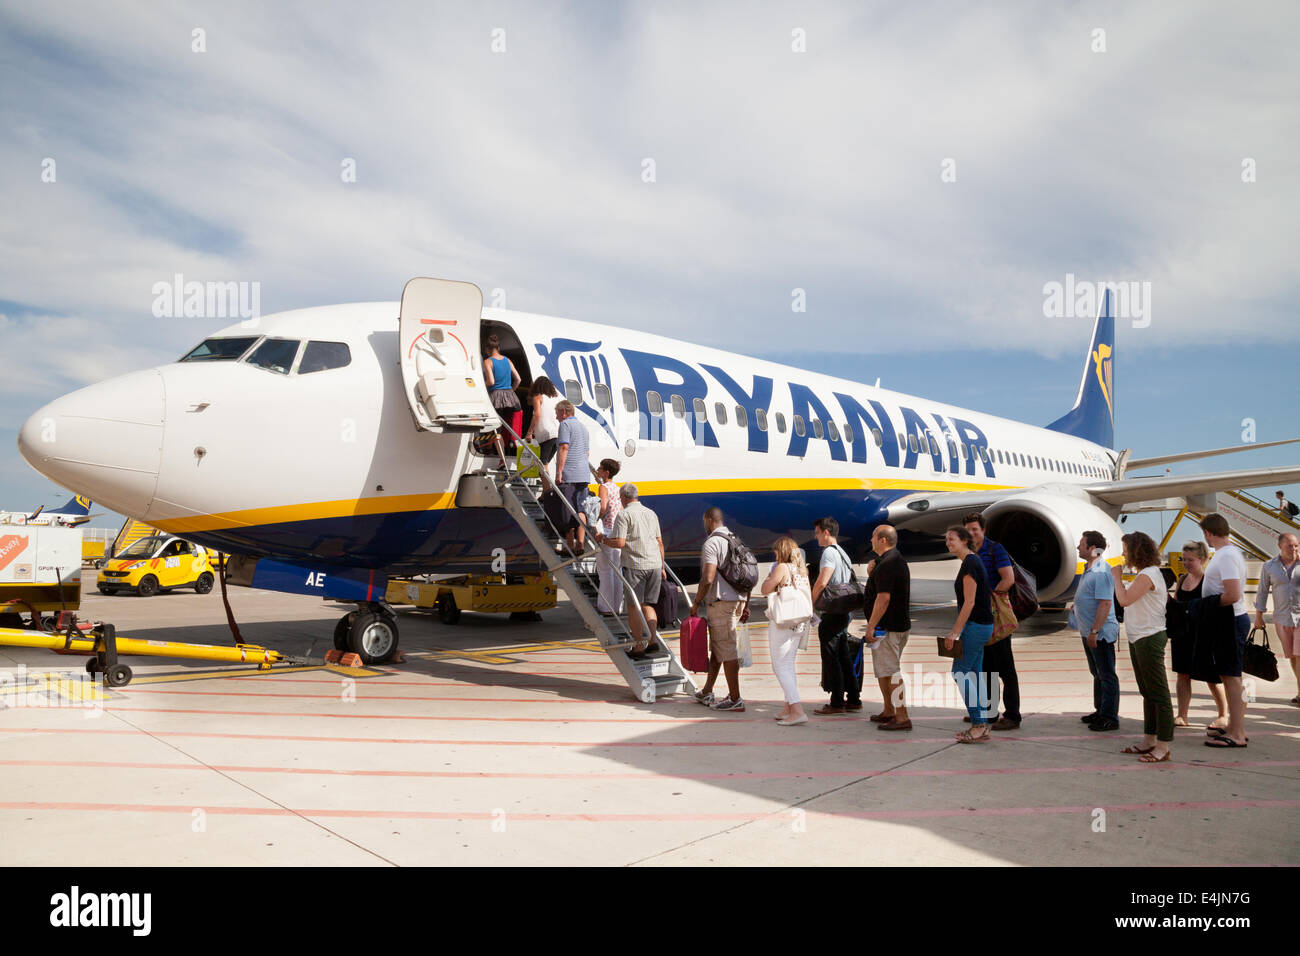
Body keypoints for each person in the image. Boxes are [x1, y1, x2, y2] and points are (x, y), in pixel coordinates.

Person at [1111, 532, 1173, 763]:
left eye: (1125, 549)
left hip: (1149, 637)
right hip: (1139, 637)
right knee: (1148, 692)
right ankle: (1149, 739)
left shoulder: (1148, 574)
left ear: (1137, 551)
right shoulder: (1144, 574)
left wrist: (1117, 578)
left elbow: (1125, 599)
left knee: (1159, 693)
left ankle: (1164, 746)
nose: (1123, 554)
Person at [688, 508, 752, 712]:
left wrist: (696, 602)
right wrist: (746, 603)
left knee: (727, 650)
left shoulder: (712, 543)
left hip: (721, 603)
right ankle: (707, 690)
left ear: (708, 520)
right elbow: (748, 575)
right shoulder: (735, 540)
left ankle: (735, 699)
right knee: (718, 647)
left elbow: (708, 578)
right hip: (737, 600)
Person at [964, 512, 1020, 731]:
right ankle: (989, 713)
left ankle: (1013, 715)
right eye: (967, 530)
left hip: (996, 616)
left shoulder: (995, 549)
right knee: (986, 668)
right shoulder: (969, 553)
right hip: (980, 619)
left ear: (983, 530)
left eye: (975, 529)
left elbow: (1008, 578)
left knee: (1006, 669)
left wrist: (990, 599)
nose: (971, 533)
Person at [594, 484, 664, 656]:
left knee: (633, 607)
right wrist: (662, 566)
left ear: (623, 498)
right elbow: (659, 542)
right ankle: (653, 640)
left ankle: (639, 646)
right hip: (654, 564)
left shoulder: (624, 515)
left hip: (636, 566)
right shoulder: (651, 513)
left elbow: (620, 543)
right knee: (648, 604)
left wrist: (602, 539)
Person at [1200, 513, 1250, 749]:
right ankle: (1233, 727)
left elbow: (1232, 594)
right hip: (1228, 620)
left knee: (1232, 678)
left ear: (1208, 533)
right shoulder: (1227, 553)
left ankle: (1238, 732)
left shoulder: (1227, 555)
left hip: (1230, 620)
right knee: (1231, 676)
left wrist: (1205, 605)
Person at [944, 525, 994, 742]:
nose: (948, 543)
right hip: (981, 625)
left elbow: (970, 602)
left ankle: (979, 724)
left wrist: (955, 633)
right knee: (974, 674)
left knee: (960, 672)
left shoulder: (970, 564)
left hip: (975, 626)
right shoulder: (971, 562)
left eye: (952, 539)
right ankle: (982, 723)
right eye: (947, 539)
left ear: (964, 540)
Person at [1170, 540, 1228, 728]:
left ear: (1202, 559)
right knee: (1183, 675)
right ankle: (1182, 715)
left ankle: (1223, 714)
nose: (1186, 563)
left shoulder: (1208, 581)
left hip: (1203, 635)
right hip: (1182, 635)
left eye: (1190, 560)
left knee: (1212, 677)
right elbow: (1176, 603)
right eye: (1183, 559)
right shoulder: (1181, 579)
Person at [862, 524, 912, 731]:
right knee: (884, 671)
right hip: (894, 626)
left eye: (873, 536)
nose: (870, 540)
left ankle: (902, 717)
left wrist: (871, 626)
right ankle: (889, 710)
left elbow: (883, 599)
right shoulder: (892, 560)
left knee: (891, 673)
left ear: (883, 540)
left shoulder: (888, 564)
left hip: (888, 628)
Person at [1070, 530, 1121, 731]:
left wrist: (1094, 631)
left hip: (1099, 633)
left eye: (1081, 544)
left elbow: (1105, 603)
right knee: (1097, 673)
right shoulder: (1089, 568)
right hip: (1088, 631)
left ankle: (1110, 717)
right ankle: (1100, 710)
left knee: (1106, 674)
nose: (1078, 547)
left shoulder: (1101, 571)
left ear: (1092, 548)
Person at [810, 517, 860, 716]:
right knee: (844, 656)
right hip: (845, 610)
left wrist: (810, 602)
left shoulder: (829, 553)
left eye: (817, 533)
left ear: (826, 532)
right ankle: (854, 698)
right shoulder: (843, 553)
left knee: (832, 658)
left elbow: (822, 582)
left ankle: (837, 701)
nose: (816, 537)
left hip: (833, 611)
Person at [760, 536, 811, 726]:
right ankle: (788, 707)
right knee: (788, 664)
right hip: (799, 621)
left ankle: (797, 709)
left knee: (780, 666)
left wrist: (769, 576)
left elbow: (765, 589)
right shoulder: (801, 569)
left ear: (781, 552)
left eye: (776, 552)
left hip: (783, 621)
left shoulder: (782, 567)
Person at [1256, 532, 1300, 706]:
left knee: (1299, 654)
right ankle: (1299, 690)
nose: (1294, 549)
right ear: (1280, 546)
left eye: (1296, 545)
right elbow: (1262, 591)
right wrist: (1259, 616)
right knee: (1292, 657)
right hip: (1282, 619)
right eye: (1290, 545)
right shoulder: (1269, 566)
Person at [552, 400, 592, 554]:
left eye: (557, 414)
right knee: (581, 509)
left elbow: (564, 447)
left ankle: (569, 547)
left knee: (567, 510)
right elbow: (587, 453)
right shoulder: (584, 428)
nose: (556, 418)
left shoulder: (565, 425)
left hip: (570, 474)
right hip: (584, 474)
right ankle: (580, 545)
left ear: (564, 412)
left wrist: (559, 472)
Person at [483, 334, 522, 466]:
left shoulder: (488, 361)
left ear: (487, 349)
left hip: (496, 398)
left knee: (496, 430)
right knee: (509, 427)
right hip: (511, 398)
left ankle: (501, 459)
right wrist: (510, 391)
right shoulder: (507, 360)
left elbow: (491, 381)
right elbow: (518, 379)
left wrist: (482, 385)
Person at [594, 458, 624, 616]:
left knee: (605, 570)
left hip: (606, 530)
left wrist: (594, 516)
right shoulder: (618, 488)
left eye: (600, 468)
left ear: (606, 472)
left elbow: (603, 507)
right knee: (617, 570)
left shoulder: (603, 487)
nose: (598, 470)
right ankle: (617, 606)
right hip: (617, 532)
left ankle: (606, 607)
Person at [523, 376, 562, 471]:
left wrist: (529, 432)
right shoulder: (555, 399)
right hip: (557, 435)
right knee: (545, 464)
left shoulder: (538, 398)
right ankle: (547, 485)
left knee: (542, 466)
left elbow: (537, 415)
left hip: (546, 436)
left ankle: (547, 486)